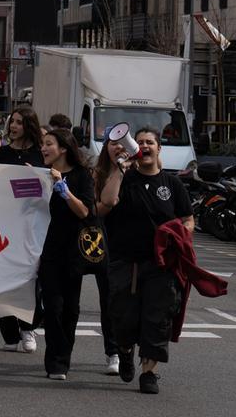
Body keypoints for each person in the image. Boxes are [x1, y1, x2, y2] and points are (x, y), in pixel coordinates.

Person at [97, 127, 194, 395]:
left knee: (157, 317)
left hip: (161, 265)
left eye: (150, 142)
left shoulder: (172, 184)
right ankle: (125, 351)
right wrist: (120, 169)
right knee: (123, 318)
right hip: (125, 261)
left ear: (159, 148)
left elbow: (187, 217)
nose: (145, 146)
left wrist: (182, 234)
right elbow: (106, 202)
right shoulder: (122, 178)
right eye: (139, 142)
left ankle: (149, 373)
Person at [0, 101, 44, 354]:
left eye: (19, 122)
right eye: (12, 121)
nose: (14, 126)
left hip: (31, 228)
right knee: (5, 280)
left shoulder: (40, 155)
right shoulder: (2, 153)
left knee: (30, 281)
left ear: (29, 126)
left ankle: (28, 328)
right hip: (3, 228)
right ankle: (9, 332)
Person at [38, 129, 95, 381]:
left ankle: (64, 356)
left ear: (63, 148)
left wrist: (63, 187)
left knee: (71, 309)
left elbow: (84, 212)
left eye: (48, 144)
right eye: (42, 144)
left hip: (73, 253)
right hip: (47, 251)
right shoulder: (40, 175)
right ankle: (55, 362)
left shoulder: (82, 176)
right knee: (52, 306)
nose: (43, 148)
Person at [90, 134, 126, 375]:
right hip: (106, 246)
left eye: (124, 142)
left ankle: (128, 348)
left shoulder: (140, 171)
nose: (119, 147)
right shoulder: (98, 174)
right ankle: (113, 351)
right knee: (110, 302)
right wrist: (120, 171)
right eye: (114, 143)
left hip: (134, 247)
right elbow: (106, 203)